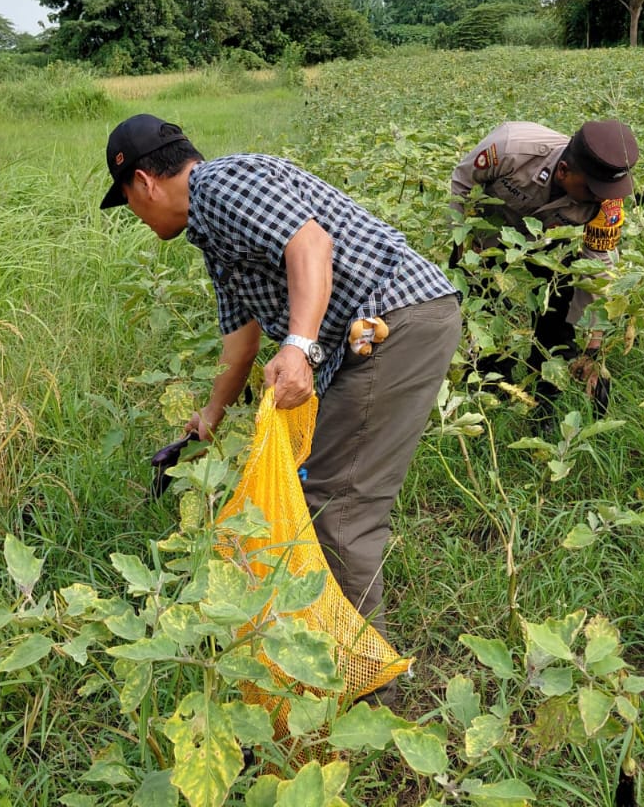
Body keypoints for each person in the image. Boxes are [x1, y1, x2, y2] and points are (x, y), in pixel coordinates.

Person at [101, 113, 461, 700]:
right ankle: (343, 662)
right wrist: (212, 413)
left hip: (394, 322)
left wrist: (298, 346)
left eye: (130, 205)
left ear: (143, 183)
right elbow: (241, 336)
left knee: (336, 508)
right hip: (386, 329)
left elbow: (310, 243)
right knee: (323, 488)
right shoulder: (211, 230)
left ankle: (370, 690)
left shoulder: (222, 183)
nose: (140, 220)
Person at [449, 119, 638, 413]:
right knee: (482, 303)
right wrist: (465, 244)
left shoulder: (607, 200)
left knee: (560, 300)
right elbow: (462, 184)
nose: (601, 198)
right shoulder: (511, 149)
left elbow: (597, 267)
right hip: (490, 224)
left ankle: (546, 392)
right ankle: (490, 388)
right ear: (564, 172)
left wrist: (593, 348)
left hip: (549, 235)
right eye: (592, 191)